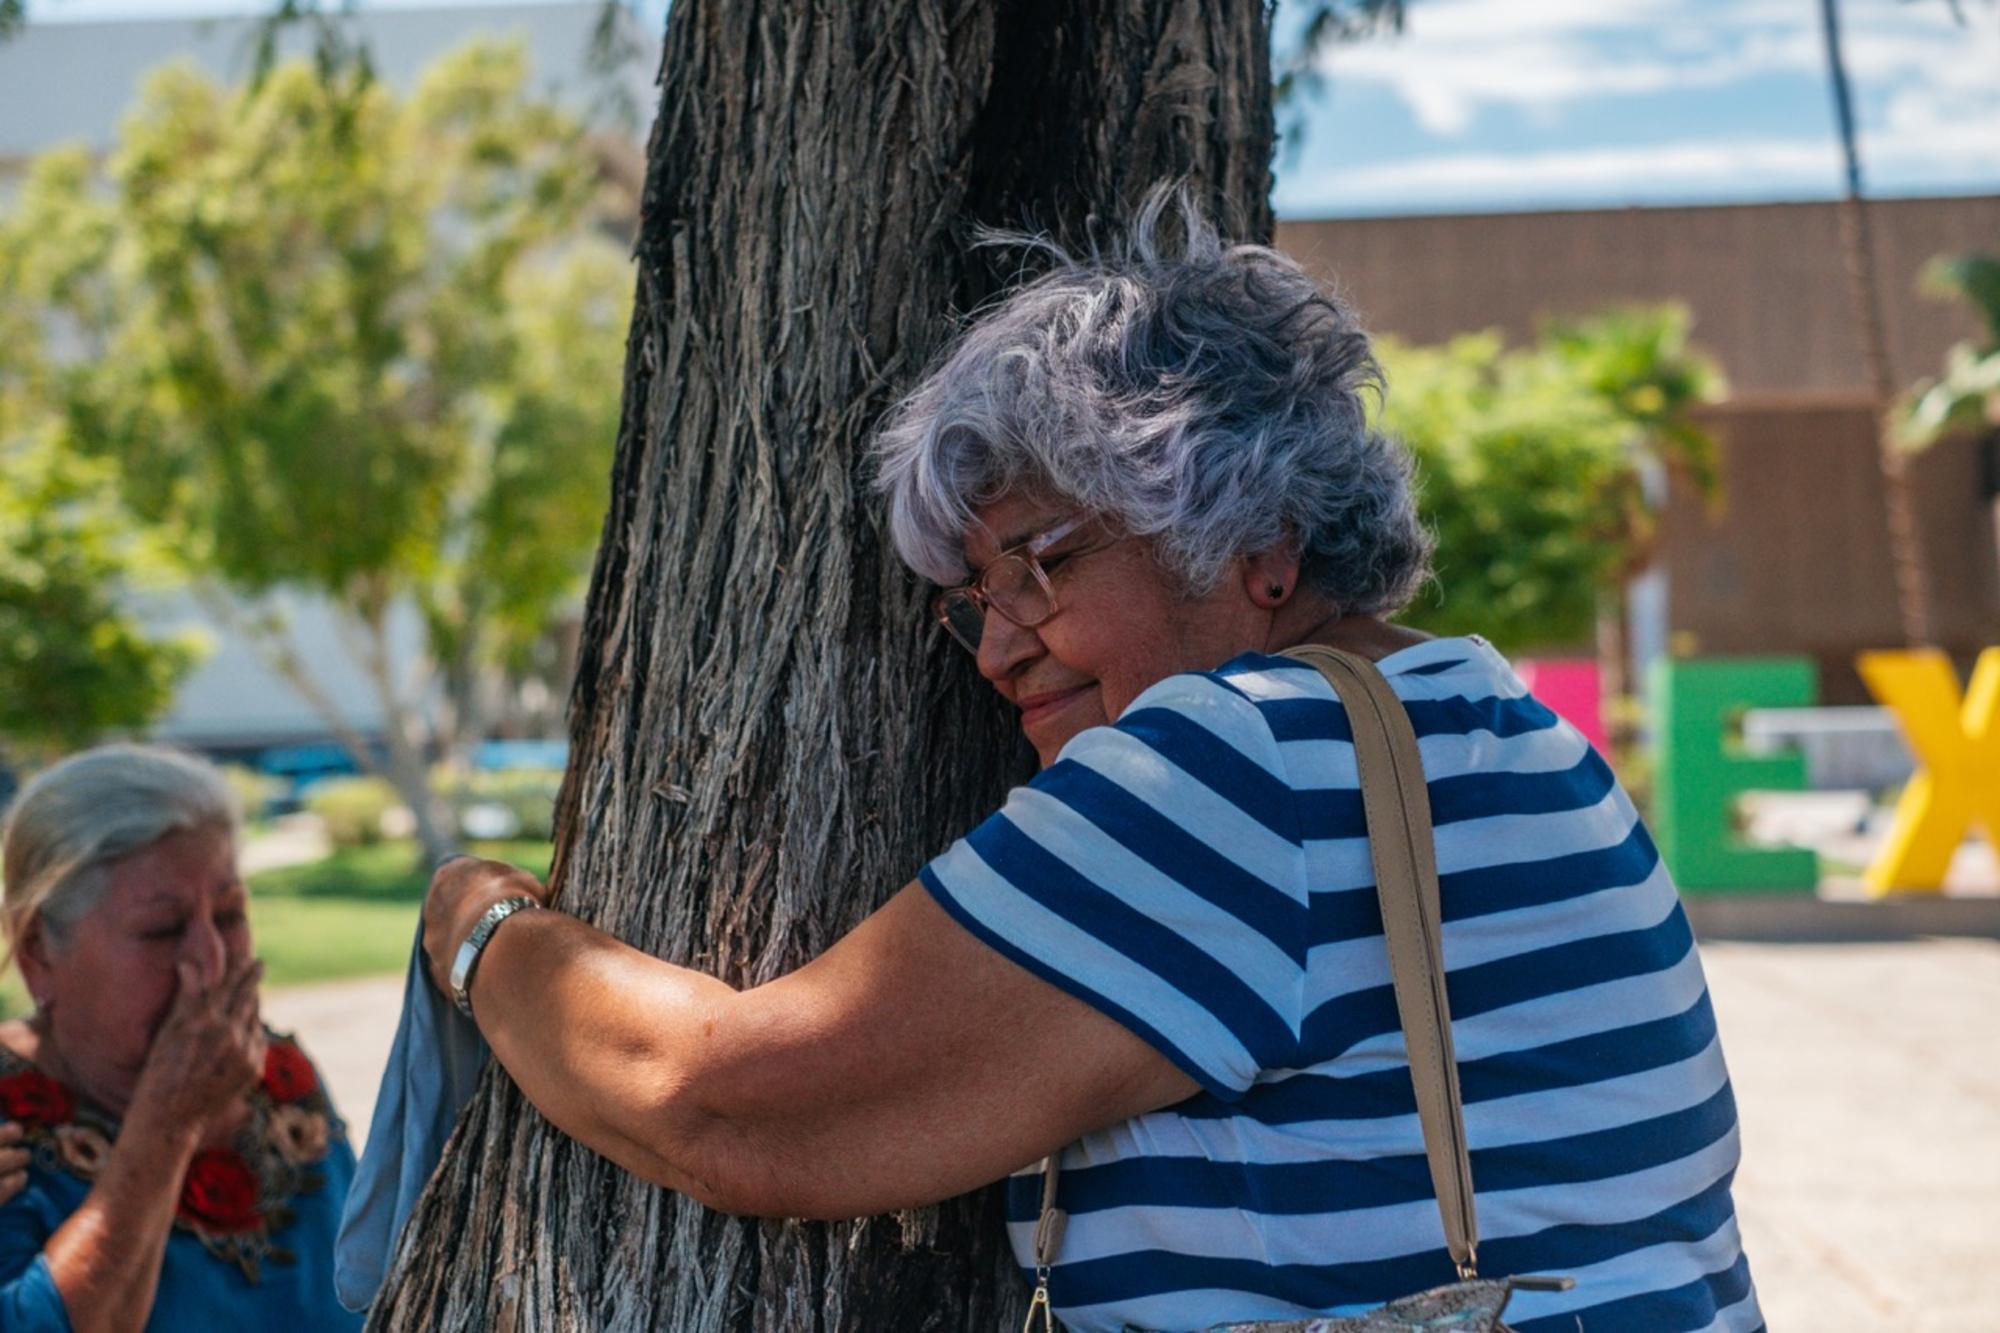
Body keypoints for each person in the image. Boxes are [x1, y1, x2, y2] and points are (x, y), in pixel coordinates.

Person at [422, 194, 1762, 1332]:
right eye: (974, 594)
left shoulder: (1240, 767)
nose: (1000, 648)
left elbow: (727, 1103)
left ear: (1262, 543)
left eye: (1047, 564)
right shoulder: (1498, 725)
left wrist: (483, 927)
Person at [0, 744, 360, 1332]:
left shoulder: (278, 1073)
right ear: (38, 948)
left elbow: (374, 1281)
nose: (212, 962)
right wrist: (168, 1123)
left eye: (229, 915)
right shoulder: (8, 1116)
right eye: (161, 929)